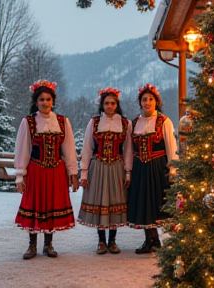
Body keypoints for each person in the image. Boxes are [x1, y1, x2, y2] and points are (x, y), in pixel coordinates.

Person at [14, 80, 79, 260]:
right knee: (35, 205)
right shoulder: (28, 122)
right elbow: (22, 149)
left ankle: (48, 244)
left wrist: (73, 173)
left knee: (51, 205)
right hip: (36, 170)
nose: (45, 103)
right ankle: (32, 245)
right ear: (36, 101)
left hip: (56, 171)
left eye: (48, 99)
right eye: (41, 99)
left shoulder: (62, 121)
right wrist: (20, 175)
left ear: (53, 101)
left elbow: (69, 149)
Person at [78, 87, 133, 254]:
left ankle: (113, 240)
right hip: (98, 166)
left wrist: (128, 171)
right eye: (106, 103)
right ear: (102, 105)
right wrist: (84, 172)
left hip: (117, 167)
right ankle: (101, 241)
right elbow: (87, 148)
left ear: (117, 104)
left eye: (113, 103)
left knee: (114, 202)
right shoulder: (94, 122)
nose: (110, 106)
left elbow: (128, 150)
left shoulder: (125, 123)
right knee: (101, 202)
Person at [127, 83, 179, 254]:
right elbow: (129, 149)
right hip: (140, 168)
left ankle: (162, 241)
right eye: (144, 99)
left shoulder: (164, 121)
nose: (147, 102)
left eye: (150, 99)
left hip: (158, 167)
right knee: (143, 203)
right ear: (140, 102)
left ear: (156, 101)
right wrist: (128, 170)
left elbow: (172, 146)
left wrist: (173, 169)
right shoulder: (134, 123)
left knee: (158, 203)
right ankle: (150, 240)